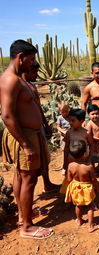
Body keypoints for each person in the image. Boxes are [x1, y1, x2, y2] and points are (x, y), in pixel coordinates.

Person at [0, 39, 54, 239]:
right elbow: (7, 115)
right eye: (31, 59)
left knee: (22, 176)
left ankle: (25, 214)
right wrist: (26, 144)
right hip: (23, 136)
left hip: (28, 134)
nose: (33, 63)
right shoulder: (10, 79)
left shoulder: (18, 78)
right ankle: (27, 227)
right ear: (20, 57)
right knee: (29, 179)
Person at [21, 61, 59, 193]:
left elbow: (38, 108)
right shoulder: (19, 86)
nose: (37, 75)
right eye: (34, 72)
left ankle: (47, 184)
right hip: (27, 132)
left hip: (38, 129)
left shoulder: (31, 86)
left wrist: (45, 124)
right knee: (26, 170)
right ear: (25, 71)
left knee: (44, 157)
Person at [65, 140, 99, 232]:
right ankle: (90, 226)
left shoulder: (70, 165)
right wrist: (96, 188)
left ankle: (79, 220)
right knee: (90, 206)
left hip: (76, 187)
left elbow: (68, 179)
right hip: (87, 188)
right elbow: (93, 180)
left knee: (78, 205)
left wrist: (72, 187)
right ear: (85, 153)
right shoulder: (89, 167)